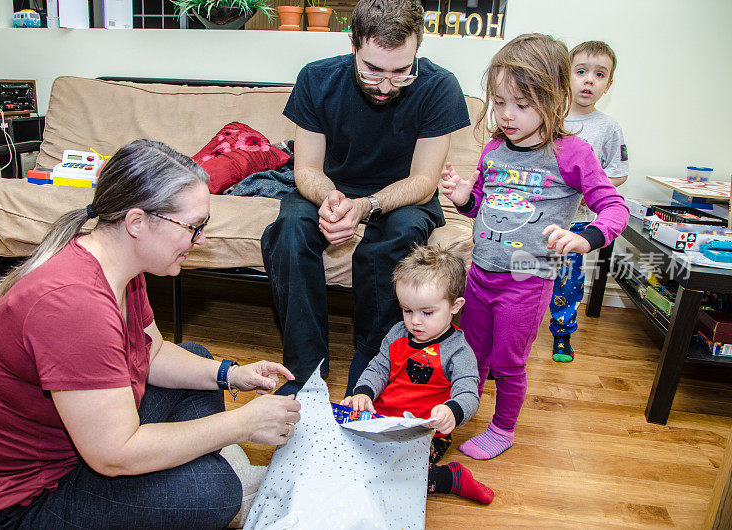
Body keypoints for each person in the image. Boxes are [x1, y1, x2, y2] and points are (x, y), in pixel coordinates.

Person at [0, 140, 302, 529]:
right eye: (193, 227)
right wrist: (243, 424)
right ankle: (189, 474)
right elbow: (113, 454)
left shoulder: (118, 268)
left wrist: (232, 374)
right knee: (216, 492)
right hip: (21, 507)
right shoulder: (75, 306)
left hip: (74, 450)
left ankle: (174, 473)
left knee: (200, 361)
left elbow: (154, 355)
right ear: (136, 222)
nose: (200, 239)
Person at [261, 0, 471, 397]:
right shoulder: (317, 79)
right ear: (354, 44)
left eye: (400, 72)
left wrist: (366, 207)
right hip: (331, 185)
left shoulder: (440, 87)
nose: (387, 85)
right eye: (372, 70)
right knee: (288, 231)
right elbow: (306, 170)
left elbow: (424, 180)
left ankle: (371, 364)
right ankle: (305, 372)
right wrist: (332, 199)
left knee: (399, 235)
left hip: (404, 193)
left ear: (417, 51)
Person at [441, 34, 630, 460]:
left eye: (522, 105)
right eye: (500, 102)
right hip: (481, 272)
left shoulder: (571, 154)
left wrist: (585, 238)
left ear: (556, 97)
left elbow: (615, 208)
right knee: (472, 353)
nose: (507, 115)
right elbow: (485, 209)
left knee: (508, 362)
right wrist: (462, 198)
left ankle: (503, 428)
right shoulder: (493, 148)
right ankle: (467, 408)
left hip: (527, 279)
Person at [341, 245, 493, 503]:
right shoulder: (398, 333)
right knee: (342, 450)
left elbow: (468, 393)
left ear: (455, 306)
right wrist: (363, 393)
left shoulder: (458, 351)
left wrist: (452, 411)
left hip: (425, 433)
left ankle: (450, 478)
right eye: (407, 310)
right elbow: (378, 368)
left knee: (398, 474)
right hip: (380, 420)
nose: (415, 322)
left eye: (427, 312)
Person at [550, 40, 629, 362]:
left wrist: (590, 185)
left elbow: (619, 174)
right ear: (566, 76)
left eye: (599, 75)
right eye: (581, 72)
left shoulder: (609, 128)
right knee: (523, 273)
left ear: (608, 85)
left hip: (580, 223)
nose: (589, 80)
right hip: (544, 218)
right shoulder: (550, 118)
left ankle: (563, 333)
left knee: (569, 280)